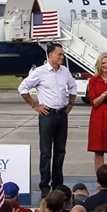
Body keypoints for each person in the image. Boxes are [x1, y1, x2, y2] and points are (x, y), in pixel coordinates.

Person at [18, 43, 77, 196]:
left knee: (60, 151)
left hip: (62, 113)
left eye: (62, 55)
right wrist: (34, 105)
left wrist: (70, 103)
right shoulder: (40, 72)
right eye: (59, 54)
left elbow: (73, 87)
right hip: (47, 115)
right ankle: (44, 185)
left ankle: (57, 184)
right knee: (45, 152)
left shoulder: (65, 71)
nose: (62, 57)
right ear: (50, 55)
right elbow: (22, 88)